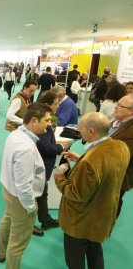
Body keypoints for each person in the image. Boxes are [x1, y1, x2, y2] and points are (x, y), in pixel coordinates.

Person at [54, 112, 130, 269]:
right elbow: (104, 166)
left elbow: (76, 193)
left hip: (80, 221)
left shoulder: (90, 162)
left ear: (91, 132)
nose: (78, 131)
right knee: (95, 251)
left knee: (74, 256)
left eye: (80, 128)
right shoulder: (121, 147)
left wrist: (59, 176)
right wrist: (81, 158)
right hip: (101, 216)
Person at [0, 103, 51, 268]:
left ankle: (1, 253)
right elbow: (24, 184)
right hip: (21, 199)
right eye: (47, 121)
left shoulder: (16, 134)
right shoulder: (26, 148)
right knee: (18, 242)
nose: (49, 125)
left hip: (9, 191)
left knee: (7, 221)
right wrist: (30, 207)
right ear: (34, 120)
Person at [35, 91, 69, 236]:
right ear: (48, 105)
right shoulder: (42, 121)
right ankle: (28, 225)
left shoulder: (44, 119)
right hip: (39, 166)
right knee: (33, 196)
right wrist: (61, 146)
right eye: (55, 104)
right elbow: (45, 147)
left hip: (42, 167)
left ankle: (45, 219)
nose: (57, 106)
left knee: (42, 193)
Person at [109, 94, 133, 218]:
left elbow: (124, 156)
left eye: (120, 105)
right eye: (117, 103)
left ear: (130, 112)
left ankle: (105, 228)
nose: (115, 107)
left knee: (113, 201)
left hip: (119, 175)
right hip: (106, 170)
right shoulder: (117, 120)